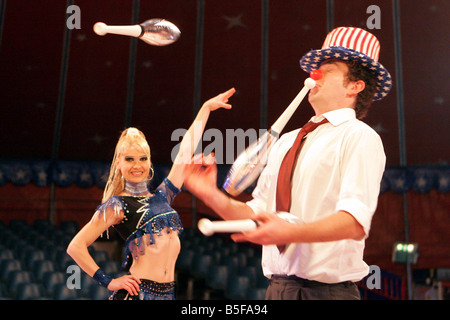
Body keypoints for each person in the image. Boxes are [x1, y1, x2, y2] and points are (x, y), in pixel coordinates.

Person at [183, 27, 391, 300]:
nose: (314, 75)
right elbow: (256, 214)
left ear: (355, 86)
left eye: (328, 69)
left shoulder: (360, 137)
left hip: (327, 294)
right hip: (277, 290)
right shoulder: (287, 141)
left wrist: (294, 232)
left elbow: (354, 222)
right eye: (316, 69)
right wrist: (209, 194)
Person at [67, 88, 235, 300]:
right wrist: (108, 281)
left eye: (143, 158)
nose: (137, 165)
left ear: (149, 162)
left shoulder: (162, 196)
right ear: (118, 163)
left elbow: (184, 152)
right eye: (130, 159)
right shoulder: (118, 205)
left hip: (168, 294)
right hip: (139, 294)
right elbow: (75, 246)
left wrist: (206, 109)